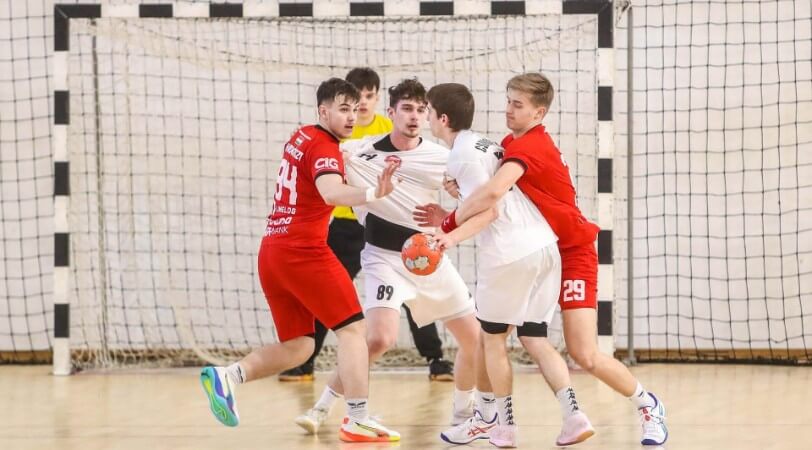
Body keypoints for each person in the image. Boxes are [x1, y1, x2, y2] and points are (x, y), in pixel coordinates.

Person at [438, 73, 668, 446]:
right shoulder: (510, 143)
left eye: (518, 105)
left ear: (539, 113)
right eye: (508, 100)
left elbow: (494, 192)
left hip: (572, 251)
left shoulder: (529, 147)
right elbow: (498, 198)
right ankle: (489, 417)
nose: (508, 110)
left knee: (584, 353)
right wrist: (461, 193)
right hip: (541, 250)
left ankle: (648, 406)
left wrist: (449, 223)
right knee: (499, 335)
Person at [199, 78, 401, 443]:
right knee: (354, 331)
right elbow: (330, 192)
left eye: (355, 109)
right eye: (343, 109)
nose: (352, 116)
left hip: (272, 252)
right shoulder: (325, 147)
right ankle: (357, 419)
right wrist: (375, 191)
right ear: (323, 111)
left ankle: (229, 376)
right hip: (303, 251)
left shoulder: (301, 136)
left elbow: (321, 165)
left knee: (301, 346)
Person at [294, 78, 484, 435]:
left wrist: (448, 213)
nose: (414, 116)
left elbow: (475, 203)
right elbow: (322, 163)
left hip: (429, 258)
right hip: (383, 258)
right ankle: (322, 408)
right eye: (407, 109)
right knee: (379, 338)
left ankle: (463, 416)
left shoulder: (443, 158)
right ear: (391, 112)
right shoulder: (357, 152)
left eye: (421, 110)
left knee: (475, 337)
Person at [414, 83, 595, 447]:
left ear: (442, 118)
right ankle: (574, 416)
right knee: (534, 338)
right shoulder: (484, 144)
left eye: (427, 111)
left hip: (510, 254)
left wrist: (449, 235)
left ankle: (500, 425)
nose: (425, 118)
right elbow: (490, 201)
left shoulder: (460, 156)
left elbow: (491, 211)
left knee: (491, 339)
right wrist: (453, 210)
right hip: (545, 249)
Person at [279, 67, 454, 383]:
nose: (361, 104)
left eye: (368, 96)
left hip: (390, 225)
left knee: (414, 291)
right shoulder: (339, 134)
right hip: (346, 225)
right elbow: (322, 163)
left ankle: (435, 358)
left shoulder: (389, 128)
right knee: (329, 294)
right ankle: (306, 361)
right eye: (356, 98)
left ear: (377, 100)